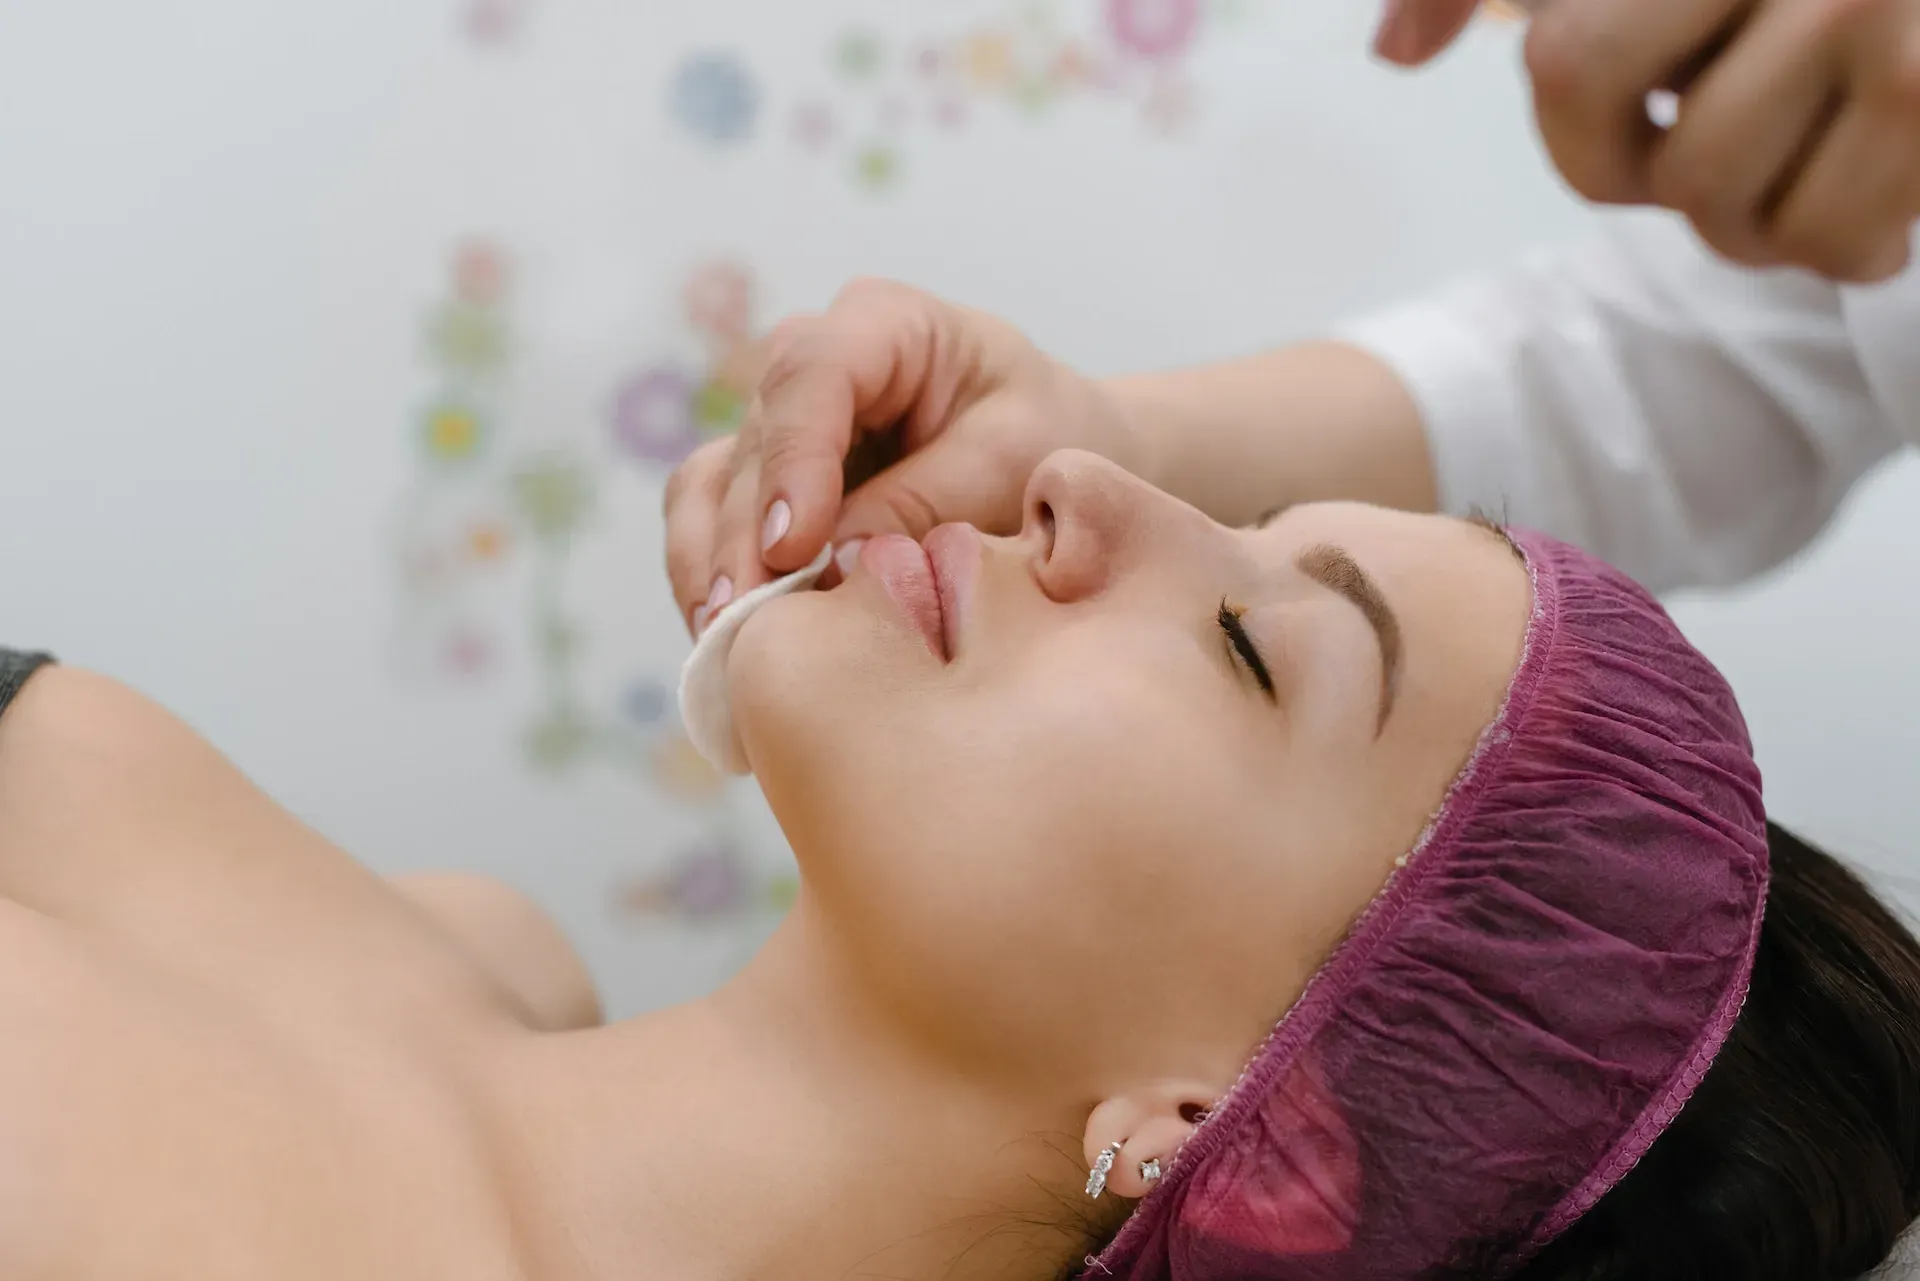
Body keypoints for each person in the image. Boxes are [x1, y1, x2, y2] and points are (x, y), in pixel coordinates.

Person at [5, 455, 1918, 1279]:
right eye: (1244, 517)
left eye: (1250, 647)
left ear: (1221, 1125)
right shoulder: (476, 950)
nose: (1089, 483)